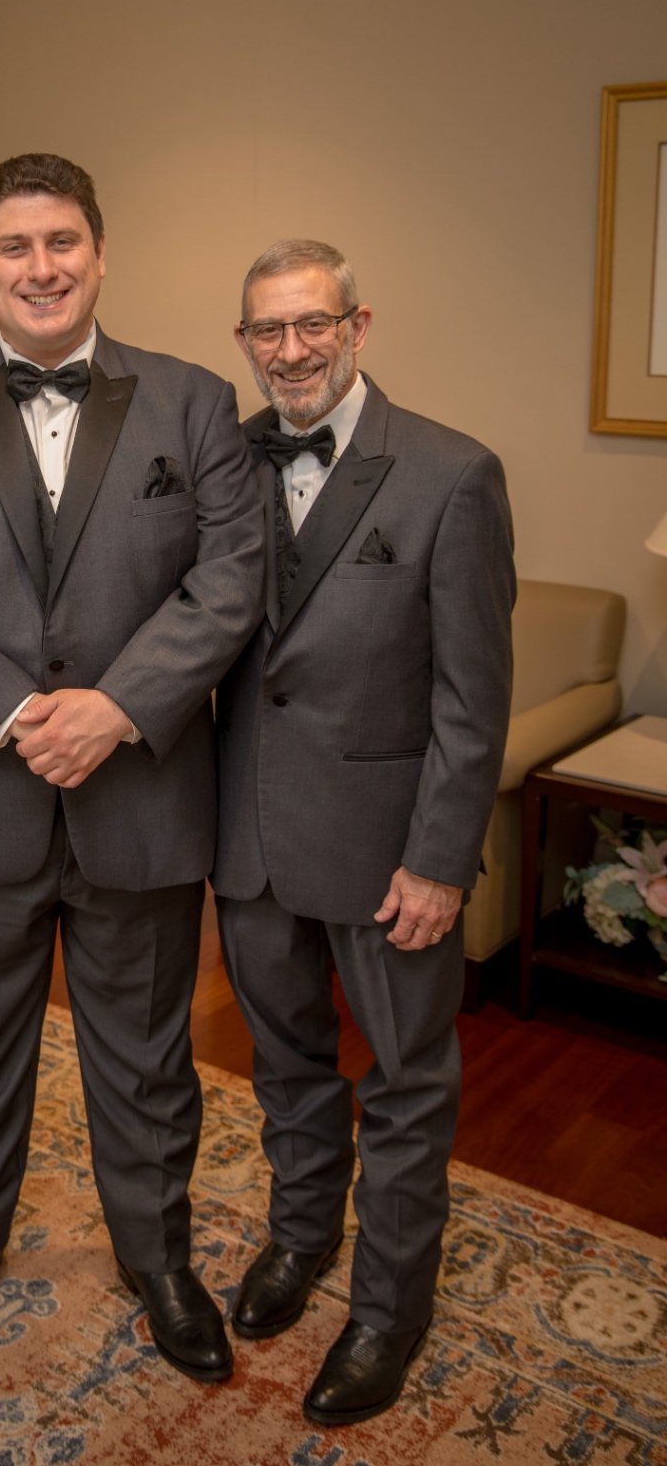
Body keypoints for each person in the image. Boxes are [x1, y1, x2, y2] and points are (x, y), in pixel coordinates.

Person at [0, 153, 265, 1384]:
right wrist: (24, 711)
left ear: (98, 251)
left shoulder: (192, 404)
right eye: (15, 247)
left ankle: (159, 1260)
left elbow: (231, 577)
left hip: (137, 792)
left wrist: (118, 709)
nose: (41, 266)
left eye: (63, 241)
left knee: (144, 1054)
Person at [215, 238, 515, 1424]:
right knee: (284, 1067)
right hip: (246, 839)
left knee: (403, 1084)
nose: (288, 350)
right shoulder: (220, 462)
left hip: (389, 852)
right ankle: (300, 1243)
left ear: (357, 324)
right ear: (242, 340)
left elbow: (470, 695)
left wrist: (441, 858)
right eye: (264, 331)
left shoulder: (451, 473)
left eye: (311, 325)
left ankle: (390, 1307)